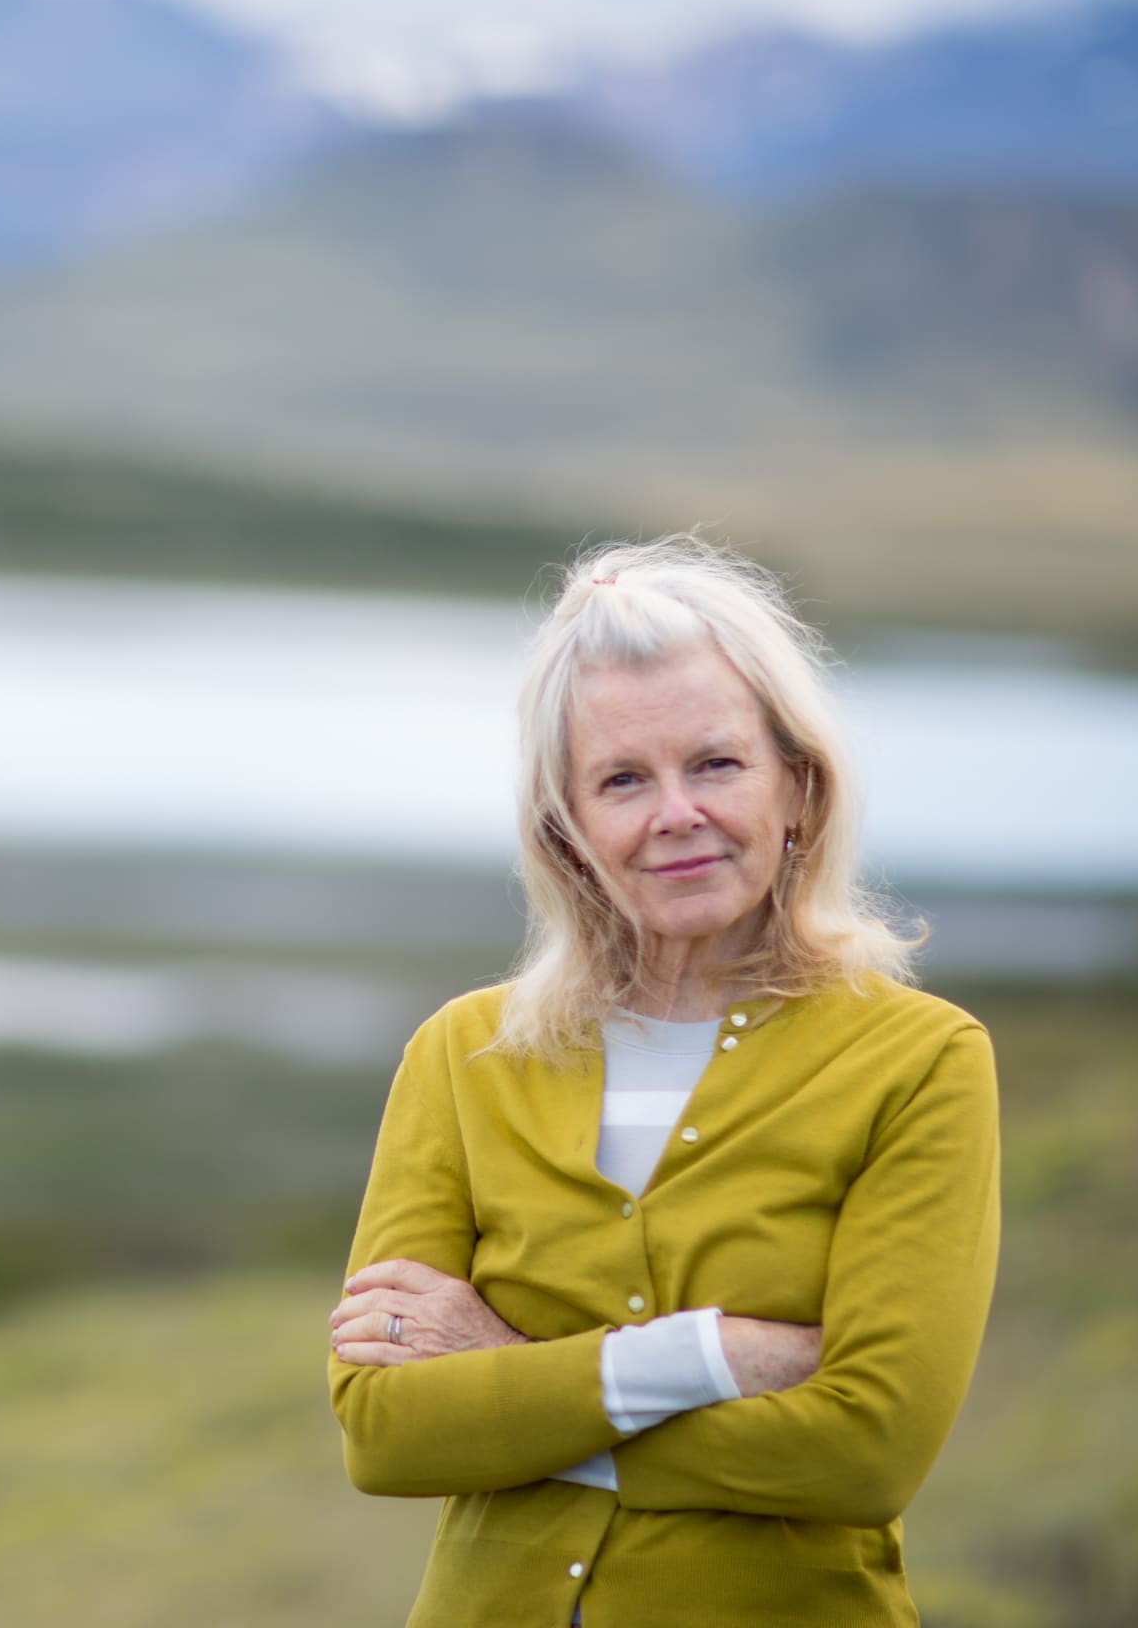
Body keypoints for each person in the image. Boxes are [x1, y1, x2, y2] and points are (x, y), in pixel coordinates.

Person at [325, 533, 1001, 1628]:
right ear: (568, 825)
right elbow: (385, 1433)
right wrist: (704, 1355)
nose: (675, 813)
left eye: (717, 764)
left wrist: (511, 1381)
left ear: (799, 786)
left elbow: (865, 1456)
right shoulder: (463, 1055)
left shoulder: (919, 1061)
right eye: (624, 779)